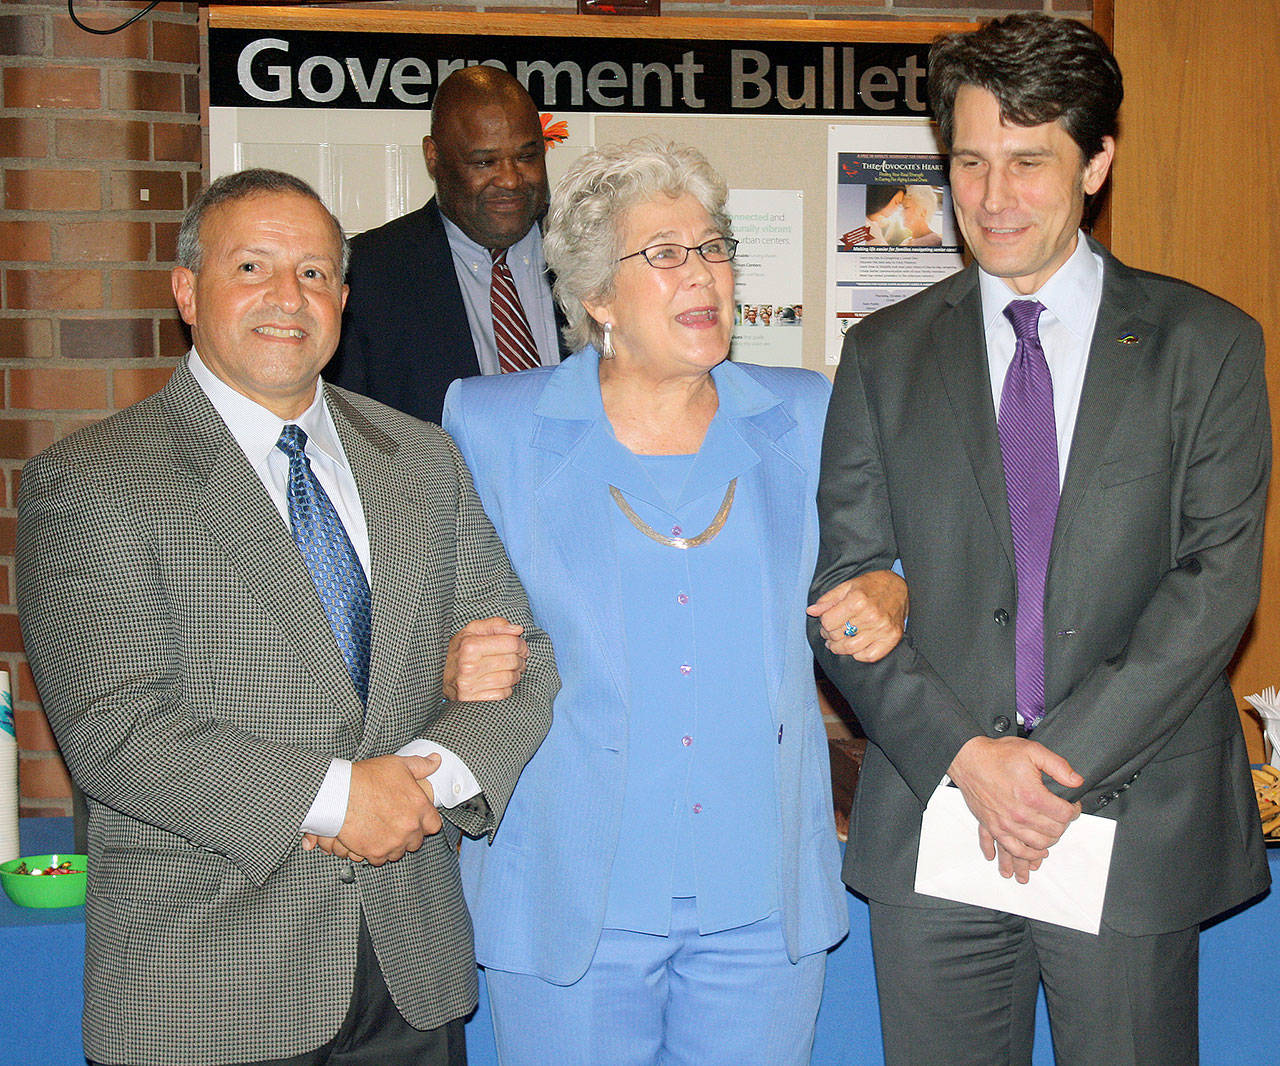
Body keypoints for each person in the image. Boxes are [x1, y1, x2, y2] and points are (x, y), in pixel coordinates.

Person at [15, 168, 558, 1066]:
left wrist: (424, 780)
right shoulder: (96, 480)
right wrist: (348, 796)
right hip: (205, 989)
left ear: (343, 298)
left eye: (313, 273)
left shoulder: (421, 459)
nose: (287, 298)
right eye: (253, 267)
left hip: (409, 975)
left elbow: (522, 661)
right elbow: (116, 731)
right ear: (187, 291)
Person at [808, 14, 1270, 1066]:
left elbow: (1212, 587)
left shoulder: (1203, 346)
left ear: (1096, 161)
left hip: (1126, 819)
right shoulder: (881, 356)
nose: (990, 197)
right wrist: (968, 761)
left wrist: (1048, 770)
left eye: (1027, 161)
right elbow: (843, 591)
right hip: (938, 815)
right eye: (967, 161)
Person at [443, 139, 908, 1066]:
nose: (703, 273)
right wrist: (447, 662)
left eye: (714, 247)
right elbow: (424, 606)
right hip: (569, 894)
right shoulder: (490, 426)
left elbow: (879, 554)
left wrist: (893, 581)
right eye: (664, 254)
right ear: (598, 297)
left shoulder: (802, 415)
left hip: (760, 894)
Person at [327, 66, 570, 424]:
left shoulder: (591, 251)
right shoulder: (367, 274)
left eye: (527, 156)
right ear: (433, 156)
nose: (510, 178)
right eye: (484, 161)